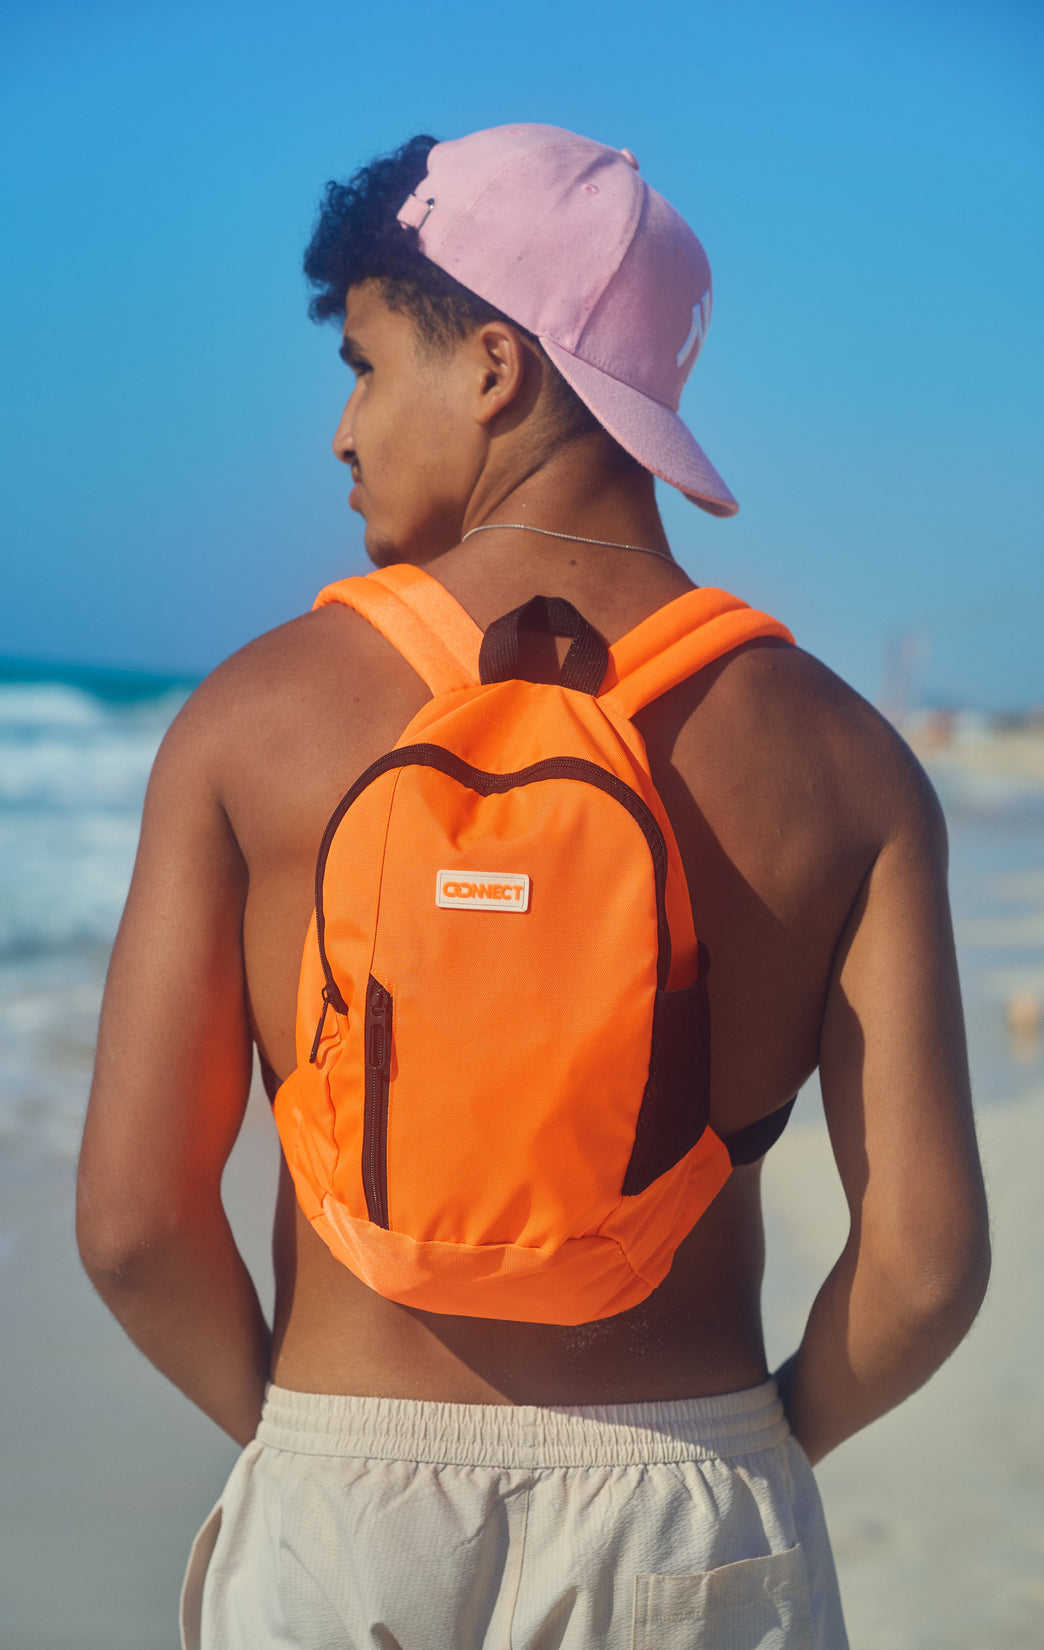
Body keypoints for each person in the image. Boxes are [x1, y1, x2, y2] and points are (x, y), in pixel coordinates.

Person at [76, 124, 990, 1649]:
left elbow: (131, 1227)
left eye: (364, 367)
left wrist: (302, 1443)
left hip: (341, 1504)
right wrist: (756, 1450)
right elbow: (926, 1267)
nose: (343, 434)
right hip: (689, 1500)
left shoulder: (253, 720)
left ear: (496, 366)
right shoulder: (847, 764)